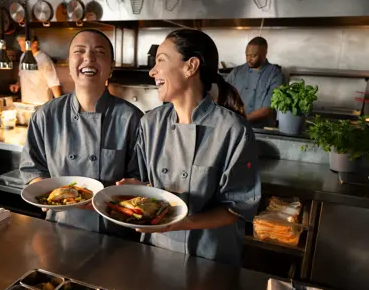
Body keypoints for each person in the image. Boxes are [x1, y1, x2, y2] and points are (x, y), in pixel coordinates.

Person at [117, 29, 261, 266]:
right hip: (158, 250)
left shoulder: (232, 129)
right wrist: (138, 186)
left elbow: (237, 208)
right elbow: (148, 184)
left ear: (190, 66)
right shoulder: (150, 123)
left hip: (211, 256)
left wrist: (184, 223)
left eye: (161, 60)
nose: (153, 71)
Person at [19, 29, 143, 236]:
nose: (89, 58)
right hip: (58, 227)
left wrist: (117, 193)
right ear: (69, 64)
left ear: (111, 67)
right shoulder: (46, 115)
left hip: (115, 232)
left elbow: (140, 178)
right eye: (80, 51)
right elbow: (32, 168)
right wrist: (44, 193)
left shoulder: (132, 118)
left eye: (99, 52)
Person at [226, 36, 284, 127]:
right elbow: (222, 94)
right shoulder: (237, 72)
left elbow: (267, 109)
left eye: (253, 56)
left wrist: (240, 120)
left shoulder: (275, 75)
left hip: (262, 130)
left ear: (264, 54)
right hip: (236, 127)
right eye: (247, 55)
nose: (249, 59)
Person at [10, 35, 62, 103]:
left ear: (35, 43)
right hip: (26, 104)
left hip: (42, 105)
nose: (22, 49)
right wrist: (17, 84)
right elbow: (21, 75)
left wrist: (59, 104)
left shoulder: (44, 59)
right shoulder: (23, 56)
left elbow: (54, 83)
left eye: (24, 45)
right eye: (20, 45)